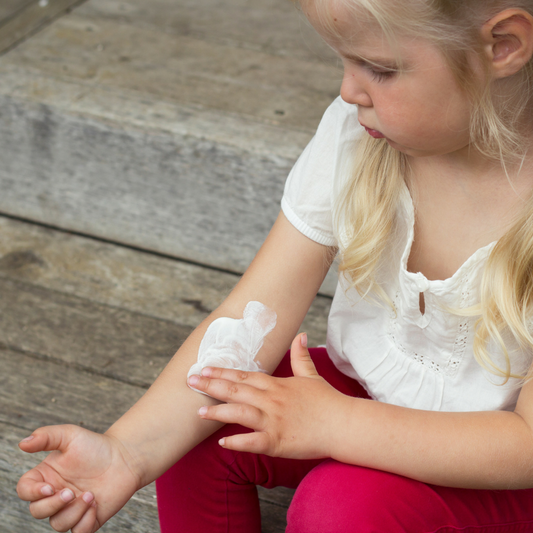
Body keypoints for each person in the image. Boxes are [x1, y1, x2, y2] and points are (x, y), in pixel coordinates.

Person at [16, 0, 533, 531]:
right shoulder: (358, 137)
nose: (348, 91)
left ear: (503, 46)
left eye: (379, 68)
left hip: (503, 470)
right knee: (214, 414)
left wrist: (338, 424)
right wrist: (127, 451)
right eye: (344, 61)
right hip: (369, 396)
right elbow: (253, 311)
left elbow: (525, 446)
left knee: (345, 506)